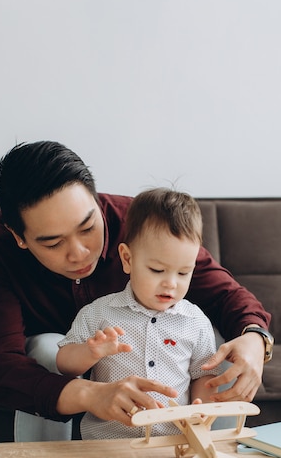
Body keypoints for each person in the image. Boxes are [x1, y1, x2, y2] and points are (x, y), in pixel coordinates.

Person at [0, 141, 272, 442]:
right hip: (62, 366)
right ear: (18, 236)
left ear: (95, 200)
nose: (79, 253)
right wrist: (89, 394)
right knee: (48, 349)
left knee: (223, 346)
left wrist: (256, 339)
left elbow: (226, 295)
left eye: (87, 227)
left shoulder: (142, 223)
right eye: (53, 243)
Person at [56, 188, 220, 440]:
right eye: (157, 270)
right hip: (106, 443)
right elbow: (63, 363)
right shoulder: (99, 312)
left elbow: (203, 375)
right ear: (127, 259)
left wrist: (202, 409)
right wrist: (89, 353)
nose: (171, 284)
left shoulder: (195, 322)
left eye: (183, 272)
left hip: (172, 442)